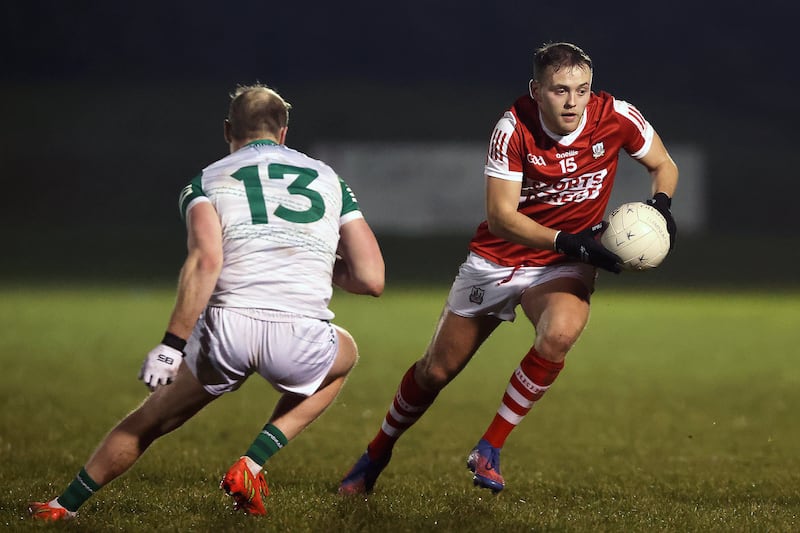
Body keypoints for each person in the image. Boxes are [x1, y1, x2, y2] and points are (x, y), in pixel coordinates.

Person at [29, 83, 385, 521]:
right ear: (284, 132)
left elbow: (206, 260)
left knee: (152, 421)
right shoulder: (329, 179)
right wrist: (313, 263)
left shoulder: (208, 179)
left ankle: (62, 506)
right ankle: (251, 463)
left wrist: (170, 345)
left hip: (227, 330)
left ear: (227, 130)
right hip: (301, 334)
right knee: (344, 353)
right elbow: (371, 278)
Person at [338, 41, 678, 495]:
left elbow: (663, 164)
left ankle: (490, 447)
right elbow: (501, 216)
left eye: (582, 89)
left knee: (560, 332)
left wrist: (661, 207)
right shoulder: (513, 127)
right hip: (499, 258)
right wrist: (569, 241)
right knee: (435, 372)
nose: (573, 101)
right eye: (560, 90)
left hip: (561, 264)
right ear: (537, 90)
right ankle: (377, 452)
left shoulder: (616, 115)